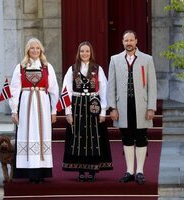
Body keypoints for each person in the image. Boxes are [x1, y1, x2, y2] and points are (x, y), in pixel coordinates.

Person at [107, 30, 157, 184]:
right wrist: (112, 107)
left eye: (131, 40)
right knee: (127, 137)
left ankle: (140, 171)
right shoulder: (115, 60)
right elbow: (111, 86)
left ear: (136, 41)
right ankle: (129, 171)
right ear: (122, 42)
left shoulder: (147, 59)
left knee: (141, 137)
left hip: (141, 105)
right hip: (123, 106)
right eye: (125, 40)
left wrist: (151, 107)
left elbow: (152, 85)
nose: (128, 43)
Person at [9, 38, 59, 183]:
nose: (35, 50)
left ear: (41, 50)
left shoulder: (47, 66)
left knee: (42, 133)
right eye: (32, 48)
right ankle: (29, 171)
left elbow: (54, 89)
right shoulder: (20, 67)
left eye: (38, 48)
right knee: (27, 132)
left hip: (42, 103)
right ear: (28, 50)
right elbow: (14, 90)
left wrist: (53, 110)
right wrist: (14, 110)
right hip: (26, 104)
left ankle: (42, 171)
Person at [62, 41, 113, 182]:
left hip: (93, 106)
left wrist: (103, 111)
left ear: (91, 53)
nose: (85, 54)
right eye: (82, 51)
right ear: (78, 53)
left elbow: (104, 90)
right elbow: (66, 91)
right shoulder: (72, 69)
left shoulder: (97, 69)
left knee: (93, 138)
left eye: (87, 51)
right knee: (78, 137)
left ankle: (92, 170)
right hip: (77, 107)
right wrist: (68, 112)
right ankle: (80, 169)